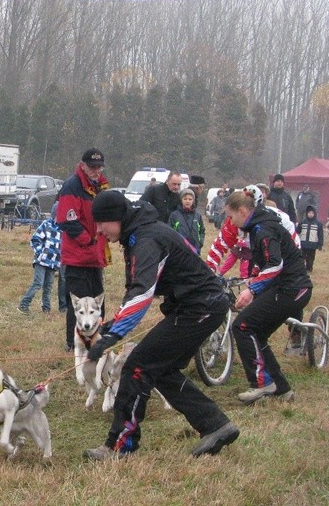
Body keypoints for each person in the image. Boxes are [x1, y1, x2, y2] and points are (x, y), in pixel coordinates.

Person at [83, 190, 239, 461]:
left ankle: (120, 446)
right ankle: (216, 425)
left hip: (200, 307)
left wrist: (113, 335)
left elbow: (142, 293)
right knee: (160, 368)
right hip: (196, 306)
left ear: (116, 218)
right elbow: (135, 288)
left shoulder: (146, 239)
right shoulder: (138, 233)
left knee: (138, 365)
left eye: (101, 223)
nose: (98, 231)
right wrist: (111, 325)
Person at [225, 190, 312, 404]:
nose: (230, 221)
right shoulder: (258, 226)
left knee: (242, 327)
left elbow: (275, 264)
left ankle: (261, 384)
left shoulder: (263, 229)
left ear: (243, 211)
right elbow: (266, 262)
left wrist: (252, 290)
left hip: (292, 289)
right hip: (289, 287)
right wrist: (252, 278)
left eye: (231, 216)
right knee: (257, 333)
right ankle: (282, 389)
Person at [55, 148, 110, 352]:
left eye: (99, 167)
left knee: (97, 302)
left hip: (95, 256)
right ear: (83, 165)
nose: (96, 171)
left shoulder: (101, 186)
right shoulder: (72, 186)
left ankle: (98, 339)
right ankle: (73, 342)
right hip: (77, 257)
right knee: (78, 304)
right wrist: (88, 240)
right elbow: (66, 220)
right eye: (92, 167)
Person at [17, 206, 61, 314]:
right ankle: (24, 305)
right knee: (38, 283)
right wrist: (40, 252)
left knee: (48, 286)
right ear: (55, 214)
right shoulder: (46, 225)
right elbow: (35, 239)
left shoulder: (64, 229)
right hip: (41, 261)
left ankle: (46, 309)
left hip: (53, 263)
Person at [167, 188, 205, 254]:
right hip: (179, 248)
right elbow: (169, 230)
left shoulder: (198, 216)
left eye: (190, 199)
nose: (187, 201)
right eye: (185, 199)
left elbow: (202, 231)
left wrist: (200, 243)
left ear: (193, 201)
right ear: (181, 200)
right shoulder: (174, 215)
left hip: (194, 248)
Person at [296, 206, 324, 272]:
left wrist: (320, 244)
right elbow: (297, 232)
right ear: (306, 213)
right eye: (309, 213)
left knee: (311, 257)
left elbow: (320, 235)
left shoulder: (318, 224)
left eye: (312, 213)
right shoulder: (302, 222)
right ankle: (301, 268)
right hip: (303, 244)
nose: (310, 214)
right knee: (302, 257)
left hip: (312, 245)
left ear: (314, 214)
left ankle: (309, 268)